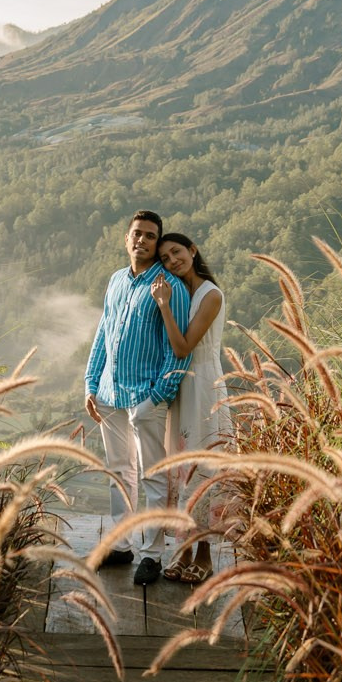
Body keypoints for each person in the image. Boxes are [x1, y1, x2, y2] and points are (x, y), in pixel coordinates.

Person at [83, 210, 192, 586]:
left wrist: (158, 395)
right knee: (118, 472)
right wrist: (90, 384)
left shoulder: (170, 287)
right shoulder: (116, 280)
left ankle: (152, 554)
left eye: (149, 236)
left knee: (153, 477)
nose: (141, 240)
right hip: (110, 394)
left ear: (155, 241)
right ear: (125, 238)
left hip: (146, 396)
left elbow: (179, 351)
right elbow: (103, 334)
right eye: (136, 234)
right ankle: (122, 544)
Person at [151, 232, 226, 585]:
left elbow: (183, 347)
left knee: (204, 467)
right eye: (164, 258)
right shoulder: (183, 293)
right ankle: (183, 549)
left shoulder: (210, 295)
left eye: (176, 252)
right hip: (183, 387)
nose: (172, 261)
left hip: (204, 387)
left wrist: (163, 306)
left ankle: (206, 554)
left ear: (193, 250)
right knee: (182, 469)